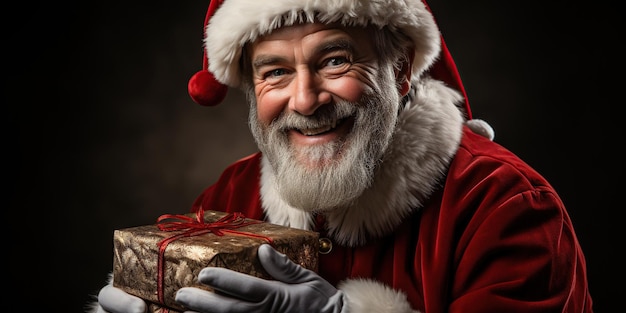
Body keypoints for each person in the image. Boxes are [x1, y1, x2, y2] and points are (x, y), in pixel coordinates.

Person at [89, 0, 593, 312]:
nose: (305, 100)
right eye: (275, 73)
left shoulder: (506, 205)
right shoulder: (230, 194)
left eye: (335, 60)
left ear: (400, 69)